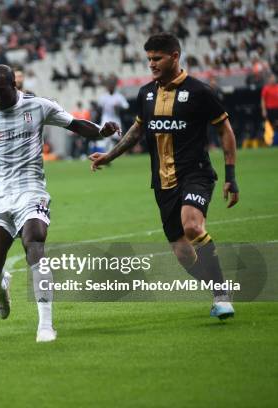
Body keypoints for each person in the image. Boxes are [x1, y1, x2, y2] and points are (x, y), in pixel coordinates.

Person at [0, 64, 119, 342]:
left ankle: (45, 325)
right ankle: (1, 285)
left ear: (14, 86)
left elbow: (75, 124)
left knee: (35, 243)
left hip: (31, 191)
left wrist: (101, 132)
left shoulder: (39, 106)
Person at [89, 33, 239, 319]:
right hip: (162, 182)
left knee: (192, 225)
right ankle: (218, 288)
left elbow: (225, 130)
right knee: (183, 253)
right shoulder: (146, 93)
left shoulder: (199, 92)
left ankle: (221, 294)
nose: (152, 64)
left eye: (157, 58)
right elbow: (137, 130)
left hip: (196, 173)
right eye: (148, 59)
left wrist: (231, 174)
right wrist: (110, 155)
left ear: (174, 56)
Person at [261, 73, 278, 145]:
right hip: (270, 109)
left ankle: (275, 141)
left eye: (274, 78)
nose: (273, 79)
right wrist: (263, 110)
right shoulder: (266, 88)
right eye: (271, 78)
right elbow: (263, 100)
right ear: (269, 80)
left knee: (276, 124)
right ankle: (273, 141)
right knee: (273, 126)